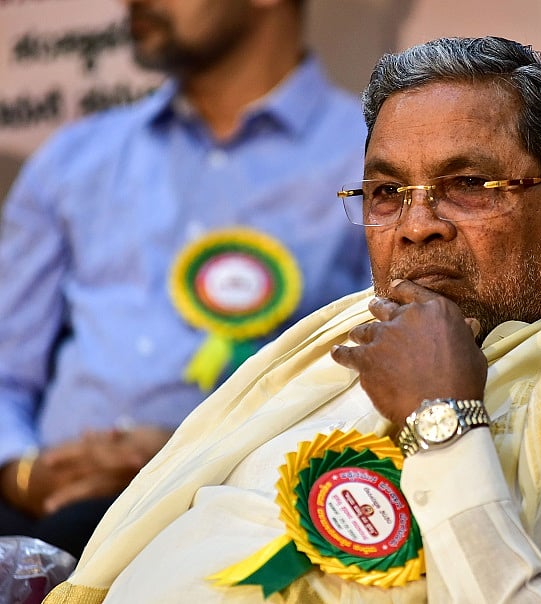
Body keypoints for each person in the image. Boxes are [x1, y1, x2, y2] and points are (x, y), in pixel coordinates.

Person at [44, 36, 541, 604]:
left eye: (468, 186)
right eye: (385, 193)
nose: (416, 227)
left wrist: (444, 420)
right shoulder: (325, 354)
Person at [0, 0, 370, 558]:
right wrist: (22, 473)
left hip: (250, 513)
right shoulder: (73, 161)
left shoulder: (372, 160)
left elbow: (382, 377)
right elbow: (5, 370)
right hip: (43, 511)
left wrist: (191, 455)